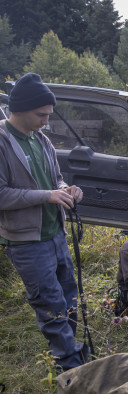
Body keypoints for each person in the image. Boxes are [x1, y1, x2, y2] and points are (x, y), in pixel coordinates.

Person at [0, 72, 88, 371]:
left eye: (49, 115)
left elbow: (56, 179)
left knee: (68, 296)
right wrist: (47, 196)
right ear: (20, 109)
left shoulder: (42, 139)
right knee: (50, 303)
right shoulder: (1, 142)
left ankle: (71, 351)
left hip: (56, 234)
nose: (46, 121)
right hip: (27, 242)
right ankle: (71, 367)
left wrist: (65, 189)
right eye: (42, 115)